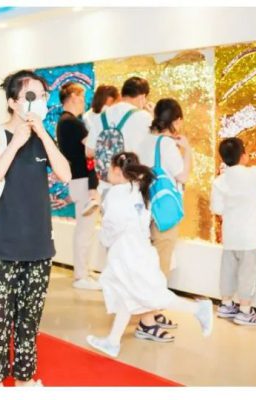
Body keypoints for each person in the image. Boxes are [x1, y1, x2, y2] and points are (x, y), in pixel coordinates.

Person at [0, 69, 72, 387]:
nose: (40, 101)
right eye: (32, 96)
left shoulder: (43, 137)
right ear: (13, 102)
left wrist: (42, 134)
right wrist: (15, 144)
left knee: (29, 322)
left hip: (38, 247)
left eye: (43, 96)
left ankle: (25, 381)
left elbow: (66, 174)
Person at [86, 152, 213, 358]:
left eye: (109, 167)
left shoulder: (117, 194)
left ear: (117, 171)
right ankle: (112, 341)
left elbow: (112, 227)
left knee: (151, 296)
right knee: (127, 296)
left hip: (127, 255)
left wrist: (103, 229)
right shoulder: (139, 190)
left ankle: (198, 309)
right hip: (140, 252)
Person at [211, 136, 256, 327]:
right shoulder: (253, 174)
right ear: (243, 156)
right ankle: (244, 311)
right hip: (250, 236)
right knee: (248, 273)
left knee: (228, 270)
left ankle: (226, 304)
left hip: (230, 235)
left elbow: (217, 209)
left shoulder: (220, 181)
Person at [134, 98, 193, 332]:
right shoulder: (167, 145)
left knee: (150, 262)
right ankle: (147, 321)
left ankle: (154, 311)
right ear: (176, 121)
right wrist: (188, 150)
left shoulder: (145, 140)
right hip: (163, 212)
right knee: (160, 264)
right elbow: (183, 176)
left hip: (145, 207)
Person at [56, 82, 101, 291]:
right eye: (82, 98)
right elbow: (90, 150)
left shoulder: (66, 122)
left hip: (79, 180)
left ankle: (84, 271)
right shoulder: (70, 122)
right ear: (73, 97)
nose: (84, 102)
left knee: (86, 229)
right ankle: (81, 275)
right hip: (82, 181)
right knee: (85, 230)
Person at [84, 77, 153, 186]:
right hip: (131, 183)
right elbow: (152, 151)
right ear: (142, 97)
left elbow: (89, 152)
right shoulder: (144, 117)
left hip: (104, 183)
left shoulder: (102, 116)